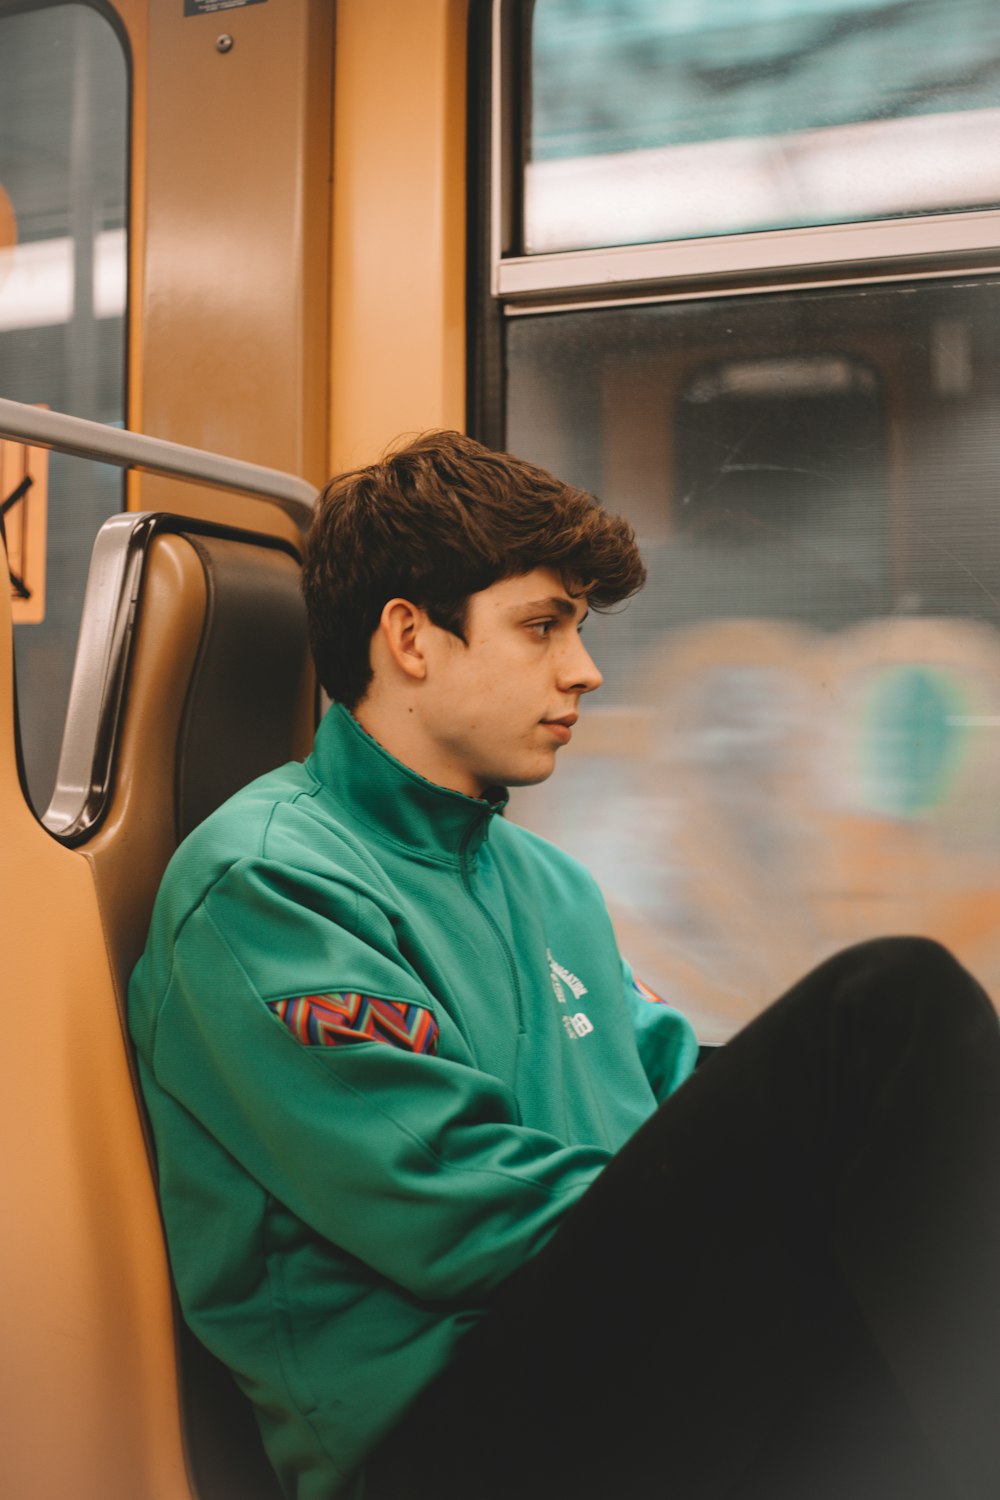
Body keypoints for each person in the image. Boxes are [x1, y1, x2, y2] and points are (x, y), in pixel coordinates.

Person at [129, 431, 1000, 1500]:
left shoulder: (547, 882)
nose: (582, 670)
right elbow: (463, 1224)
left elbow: (678, 1101)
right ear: (409, 637)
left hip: (607, 1353)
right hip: (437, 1438)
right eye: (541, 627)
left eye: (576, 631)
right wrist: (790, 1209)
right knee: (886, 1009)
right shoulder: (266, 888)